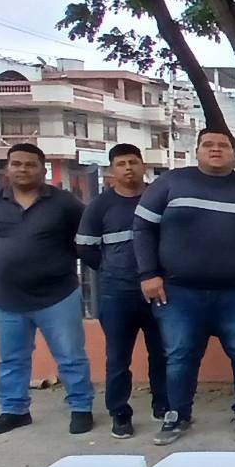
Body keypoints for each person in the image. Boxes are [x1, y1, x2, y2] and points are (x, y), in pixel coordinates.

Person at [134, 126, 235, 444]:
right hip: (179, 292)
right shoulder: (170, 184)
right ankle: (177, 415)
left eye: (223, 145)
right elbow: (142, 228)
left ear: (234, 153)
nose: (215, 149)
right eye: (208, 144)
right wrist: (148, 274)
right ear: (196, 150)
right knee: (179, 356)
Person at [0, 142, 94, 436]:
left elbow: (84, 238)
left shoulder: (65, 203)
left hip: (58, 295)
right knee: (11, 358)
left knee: (70, 355)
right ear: (7, 168)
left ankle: (81, 407)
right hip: (6, 297)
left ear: (43, 170)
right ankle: (14, 411)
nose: (23, 169)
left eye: (30, 164)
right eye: (17, 164)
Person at [77, 143, 166, 439]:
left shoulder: (159, 199)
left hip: (158, 292)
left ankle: (163, 405)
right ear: (111, 170)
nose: (128, 168)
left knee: (162, 353)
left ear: (143, 166)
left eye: (133, 162)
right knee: (117, 358)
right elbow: (85, 248)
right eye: (121, 163)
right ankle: (119, 413)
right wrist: (111, 268)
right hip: (117, 294)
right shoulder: (99, 206)